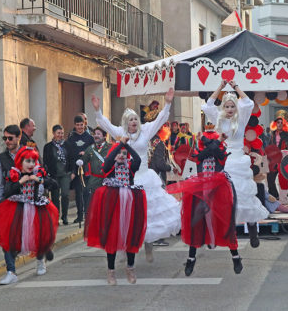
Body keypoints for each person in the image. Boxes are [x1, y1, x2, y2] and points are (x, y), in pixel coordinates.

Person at [92, 88, 181, 262]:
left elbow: (161, 119)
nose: (134, 121)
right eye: (131, 119)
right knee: (126, 214)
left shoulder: (146, 130)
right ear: (126, 123)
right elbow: (104, 124)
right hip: (126, 180)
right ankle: (126, 248)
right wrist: (97, 110)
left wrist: (168, 103)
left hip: (144, 177)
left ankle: (148, 246)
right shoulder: (120, 133)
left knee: (147, 215)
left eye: (135, 119)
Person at [202, 80, 269, 247]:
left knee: (245, 196)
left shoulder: (242, 118)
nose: (230, 109)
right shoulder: (219, 119)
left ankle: (253, 231)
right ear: (223, 108)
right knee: (226, 198)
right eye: (227, 107)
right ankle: (224, 235)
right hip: (226, 160)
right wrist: (220, 87)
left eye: (232, 106)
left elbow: (248, 102)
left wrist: (235, 87)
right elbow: (209, 103)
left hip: (240, 160)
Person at [167, 129, 242, 276]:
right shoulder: (199, 152)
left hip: (219, 190)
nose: (209, 144)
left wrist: (216, 142)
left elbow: (216, 152)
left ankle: (236, 257)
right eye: (205, 141)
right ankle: (191, 259)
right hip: (200, 189)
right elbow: (204, 154)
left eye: (211, 140)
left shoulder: (221, 151)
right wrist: (216, 141)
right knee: (196, 222)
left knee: (225, 223)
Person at [0, 147, 58, 284]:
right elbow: (7, 192)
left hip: (36, 208)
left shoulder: (38, 173)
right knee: (9, 239)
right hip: (16, 210)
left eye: (33, 161)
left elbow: (55, 185)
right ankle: (11, 272)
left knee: (38, 236)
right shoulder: (14, 173)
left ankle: (40, 262)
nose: (31, 164)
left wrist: (40, 180)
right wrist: (20, 182)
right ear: (20, 162)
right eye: (28, 161)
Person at [84, 139, 147, 284]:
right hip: (113, 204)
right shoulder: (110, 166)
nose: (122, 155)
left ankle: (130, 268)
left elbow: (137, 158)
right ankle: (111, 271)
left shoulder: (131, 166)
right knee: (112, 236)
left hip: (129, 203)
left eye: (124, 154)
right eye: (119, 153)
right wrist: (119, 145)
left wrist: (126, 146)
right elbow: (107, 163)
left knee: (130, 235)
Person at [66, 115, 94, 224]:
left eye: (81, 125)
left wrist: (86, 154)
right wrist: (72, 171)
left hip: (87, 170)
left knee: (87, 192)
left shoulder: (90, 138)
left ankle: (87, 214)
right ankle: (79, 215)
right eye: (77, 125)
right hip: (76, 170)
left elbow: (94, 152)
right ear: (74, 125)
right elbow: (69, 155)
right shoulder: (71, 138)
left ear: (84, 124)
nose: (79, 127)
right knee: (78, 193)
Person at [43, 125, 73, 225]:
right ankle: (56, 217)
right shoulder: (48, 147)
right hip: (54, 175)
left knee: (65, 195)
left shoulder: (67, 145)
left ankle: (64, 216)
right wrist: (46, 175)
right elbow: (46, 161)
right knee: (55, 197)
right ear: (54, 133)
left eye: (62, 133)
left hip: (65, 174)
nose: (60, 135)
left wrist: (72, 172)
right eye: (58, 133)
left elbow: (72, 159)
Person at [81, 127, 112, 213]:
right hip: (94, 181)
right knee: (94, 204)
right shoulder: (90, 149)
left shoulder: (110, 147)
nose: (96, 136)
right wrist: (80, 161)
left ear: (104, 136)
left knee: (106, 204)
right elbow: (84, 160)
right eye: (95, 134)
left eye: (98, 134)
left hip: (107, 181)